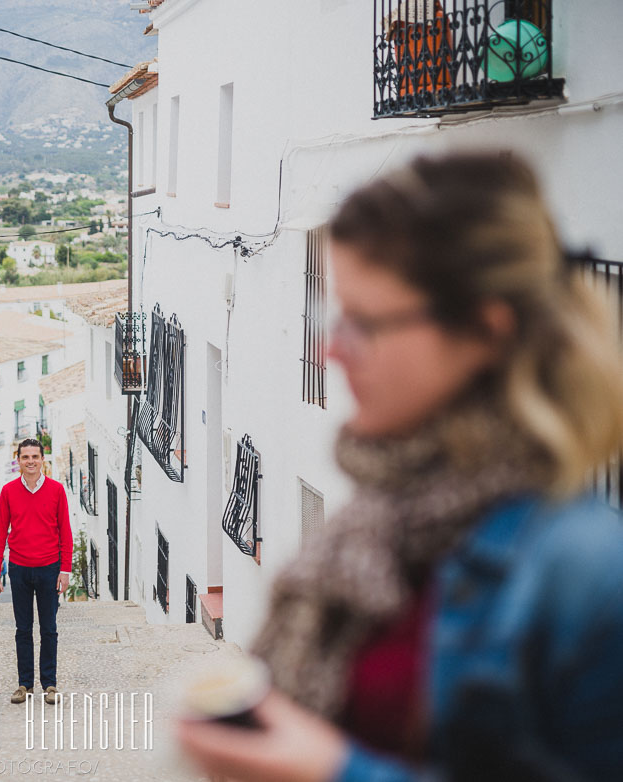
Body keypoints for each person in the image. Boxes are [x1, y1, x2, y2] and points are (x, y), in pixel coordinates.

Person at [176, 151, 623, 781]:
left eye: (364, 321)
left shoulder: (589, 574)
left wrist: (336, 771)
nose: (331, 348)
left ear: (483, 331)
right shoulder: (383, 513)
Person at [0, 438, 72, 706]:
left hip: (49, 569)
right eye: (26, 457)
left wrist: (65, 570)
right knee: (23, 629)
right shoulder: (9, 491)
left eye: (35, 456)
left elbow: (65, 533)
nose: (31, 461)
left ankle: (50, 684)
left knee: (49, 629)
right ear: (19, 461)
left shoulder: (57, 490)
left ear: (42, 460)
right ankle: (25, 684)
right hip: (19, 569)